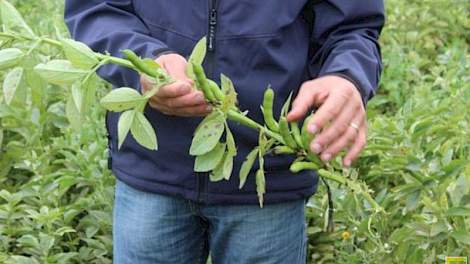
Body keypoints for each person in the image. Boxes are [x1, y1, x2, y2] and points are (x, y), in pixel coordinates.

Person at [65, 1, 384, 263]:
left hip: (268, 178)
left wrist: (348, 75)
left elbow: (352, 27)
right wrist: (145, 61)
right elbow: (97, 9)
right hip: (152, 168)